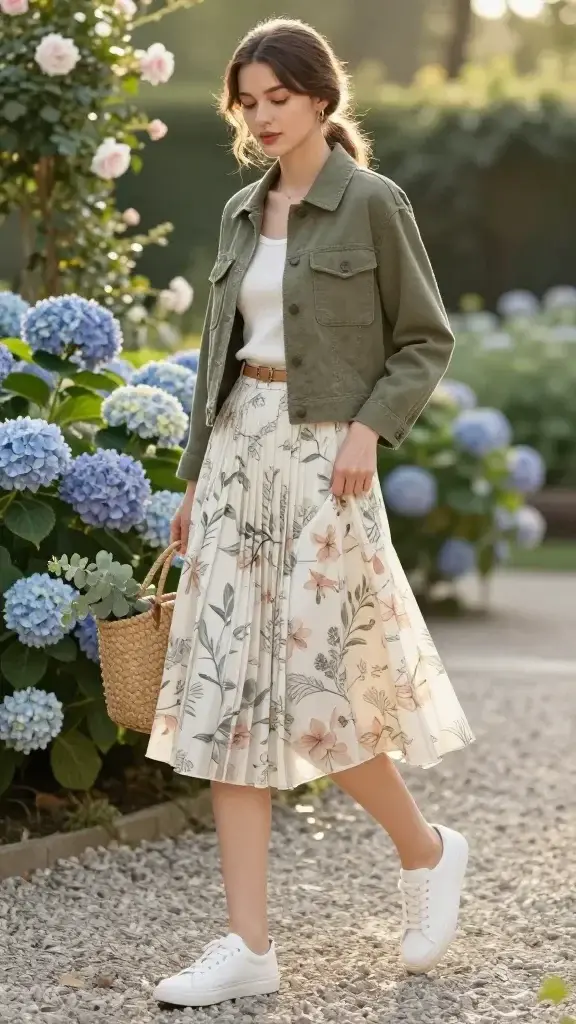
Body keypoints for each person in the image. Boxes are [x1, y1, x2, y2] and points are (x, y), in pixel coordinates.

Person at [146, 17, 475, 1009]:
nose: (261, 116)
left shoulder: (372, 202)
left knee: (322, 687)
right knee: (221, 700)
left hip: (326, 460)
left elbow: (424, 339)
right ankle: (249, 943)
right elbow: (218, 365)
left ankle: (426, 850)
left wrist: (370, 432)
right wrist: (196, 480)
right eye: (247, 101)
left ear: (320, 97)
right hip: (242, 453)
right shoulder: (241, 213)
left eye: (277, 97)